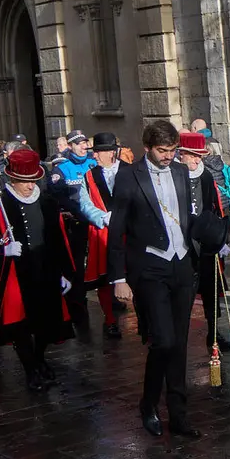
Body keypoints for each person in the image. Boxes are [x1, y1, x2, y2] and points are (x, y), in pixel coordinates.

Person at [108, 121, 224, 438]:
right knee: (163, 340)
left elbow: (187, 216)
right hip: (149, 267)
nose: (168, 156)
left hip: (182, 265)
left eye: (172, 150)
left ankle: (179, 414)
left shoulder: (181, 172)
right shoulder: (129, 176)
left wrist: (209, 236)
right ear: (147, 147)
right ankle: (148, 404)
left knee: (180, 343)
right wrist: (118, 278)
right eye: (162, 150)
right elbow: (116, 229)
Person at [0, 147, 76, 392]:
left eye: (33, 180)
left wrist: (64, 271)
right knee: (20, 325)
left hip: (45, 268)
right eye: (24, 181)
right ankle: (30, 369)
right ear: (12, 178)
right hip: (15, 273)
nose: (30, 186)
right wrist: (4, 250)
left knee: (46, 321)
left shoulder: (47, 201)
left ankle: (39, 358)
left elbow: (59, 239)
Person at [176, 132, 230, 352]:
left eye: (199, 156)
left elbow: (214, 208)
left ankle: (214, 333)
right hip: (182, 245)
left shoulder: (206, 177)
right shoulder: (174, 175)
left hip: (205, 245)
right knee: (184, 294)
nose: (196, 160)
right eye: (192, 155)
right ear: (181, 154)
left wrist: (219, 238)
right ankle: (178, 337)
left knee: (211, 291)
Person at [77, 133, 128, 339]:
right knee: (105, 278)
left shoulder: (131, 171)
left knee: (135, 274)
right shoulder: (89, 176)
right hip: (103, 231)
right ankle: (110, 320)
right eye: (94, 152)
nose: (94, 156)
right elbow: (84, 204)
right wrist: (103, 217)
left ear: (112, 152)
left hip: (129, 232)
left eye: (98, 152)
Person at [47, 129, 97, 325]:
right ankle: (77, 300)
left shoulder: (93, 162)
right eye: (78, 143)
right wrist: (77, 212)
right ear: (70, 146)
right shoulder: (61, 168)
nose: (84, 146)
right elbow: (57, 196)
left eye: (85, 142)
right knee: (77, 264)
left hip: (96, 222)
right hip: (75, 222)